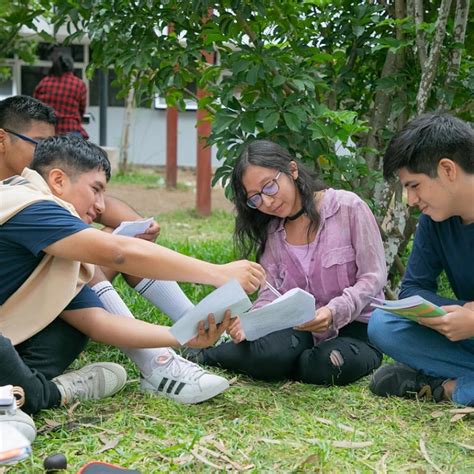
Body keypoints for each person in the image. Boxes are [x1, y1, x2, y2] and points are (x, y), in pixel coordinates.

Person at [0, 135, 265, 420]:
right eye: (95, 189)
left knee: (72, 330)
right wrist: (218, 273)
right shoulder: (28, 204)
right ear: (58, 180)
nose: (101, 206)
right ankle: (51, 393)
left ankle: (19, 393)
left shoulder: (60, 242)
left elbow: (98, 322)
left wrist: (180, 336)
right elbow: (119, 253)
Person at [187, 140, 386, 386]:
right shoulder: (272, 231)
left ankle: (284, 363)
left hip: (357, 328)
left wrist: (334, 311)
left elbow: (373, 277)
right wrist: (252, 322)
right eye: (255, 198)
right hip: (299, 329)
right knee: (270, 354)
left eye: (269, 187)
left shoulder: (348, 208)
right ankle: (201, 355)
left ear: (292, 170)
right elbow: (270, 293)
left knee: (327, 364)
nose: (267, 202)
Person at [368, 114, 474, 407]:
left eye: (414, 185)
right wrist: (460, 315)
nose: (410, 199)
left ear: (447, 169)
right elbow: (413, 289)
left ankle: (448, 389)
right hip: (467, 332)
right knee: (382, 323)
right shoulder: (435, 219)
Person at [33, 51, 89, 138]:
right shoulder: (79, 84)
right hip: (71, 130)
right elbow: (81, 110)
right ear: (71, 67)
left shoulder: (44, 82)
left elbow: (35, 107)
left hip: (48, 133)